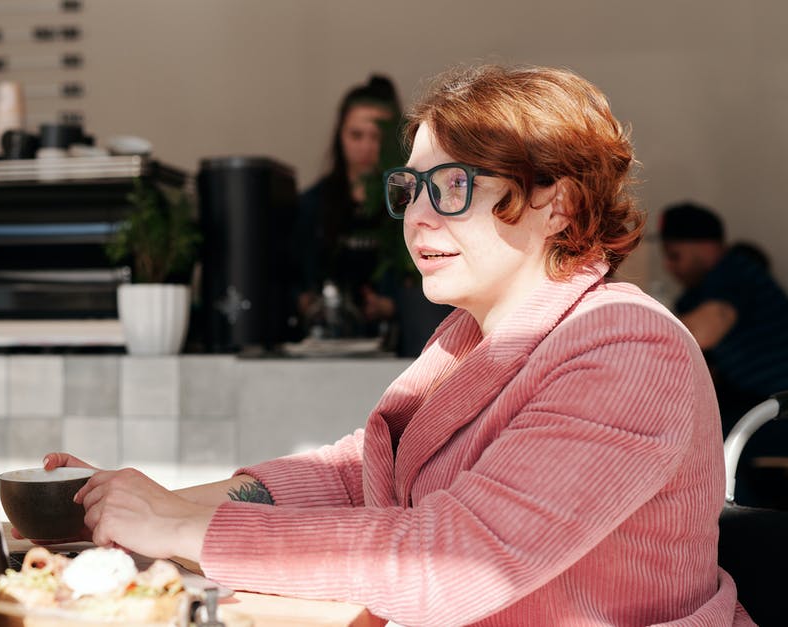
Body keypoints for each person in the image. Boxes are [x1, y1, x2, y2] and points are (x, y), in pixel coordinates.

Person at [41, 65, 750, 625]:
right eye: (410, 188)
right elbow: (362, 474)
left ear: (555, 202)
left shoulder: (628, 348)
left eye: (451, 187)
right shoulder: (473, 336)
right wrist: (147, 506)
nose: (416, 217)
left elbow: (458, 561)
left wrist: (189, 528)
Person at [659, 202, 788, 431]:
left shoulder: (735, 271)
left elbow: (706, 330)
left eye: (674, 255)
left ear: (706, 247)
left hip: (778, 407)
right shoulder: (696, 294)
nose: (668, 266)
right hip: (759, 405)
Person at [294, 74, 403, 337]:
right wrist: (308, 303)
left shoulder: (410, 202)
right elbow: (291, 280)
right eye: (356, 135)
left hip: (395, 345)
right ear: (340, 135)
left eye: (376, 137)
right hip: (325, 341)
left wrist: (393, 305)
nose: (366, 146)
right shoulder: (311, 204)